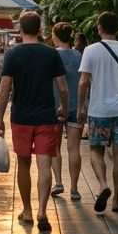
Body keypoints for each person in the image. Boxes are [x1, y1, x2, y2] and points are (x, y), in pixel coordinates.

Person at [0, 11, 69, 233]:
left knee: (24, 164)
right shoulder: (51, 54)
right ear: (40, 30)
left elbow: (4, 89)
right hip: (46, 117)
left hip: (21, 118)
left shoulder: (13, 54)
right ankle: (42, 212)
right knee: (44, 165)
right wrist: (64, 108)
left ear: (20, 30)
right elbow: (63, 87)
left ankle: (27, 211)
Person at [78, 11, 118, 214]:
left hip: (99, 110)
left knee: (96, 150)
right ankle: (117, 201)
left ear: (99, 28)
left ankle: (103, 185)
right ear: (117, 28)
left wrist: (80, 107)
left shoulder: (90, 50)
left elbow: (83, 82)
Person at [49, 22, 84, 201]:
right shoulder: (79, 56)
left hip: (55, 107)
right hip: (75, 107)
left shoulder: (51, 55)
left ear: (55, 36)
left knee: (55, 147)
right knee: (74, 148)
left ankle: (58, 183)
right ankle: (74, 189)